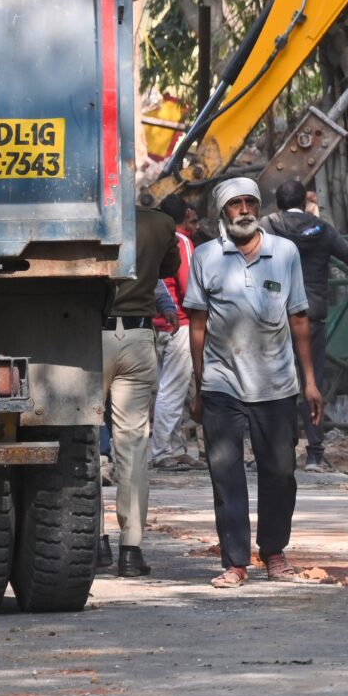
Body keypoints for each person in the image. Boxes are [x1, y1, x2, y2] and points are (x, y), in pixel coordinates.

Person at [185, 178, 320, 589]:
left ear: (258, 208)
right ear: (221, 212)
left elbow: (298, 317)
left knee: (280, 471)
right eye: (234, 204)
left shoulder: (285, 252)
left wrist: (310, 381)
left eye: (249, 202)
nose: (243, 209)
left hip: (277, 382)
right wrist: (199, 383)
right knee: (225, 473)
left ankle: (274, 552)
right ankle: (235, 562)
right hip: (222, 382)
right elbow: (197, 323)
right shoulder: (207, 256)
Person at [99, 197, 179, 578]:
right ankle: (130, 549)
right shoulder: (160, 224)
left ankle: (94, 539)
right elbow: (169, 268)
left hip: (86, 334)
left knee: (82, 439)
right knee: (132, 445)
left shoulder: (88, 210)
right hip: (137, 337)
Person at [267, 178, 348, 466]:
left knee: (277, 384)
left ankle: (282, 450)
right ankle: (314, 453)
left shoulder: (267, 227)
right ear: (303, 203)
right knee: (312, 382)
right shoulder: (322, 230)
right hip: (311, 316)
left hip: (274, 318)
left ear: (279, 204)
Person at [149, 192, 198, 461]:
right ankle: (163, 450)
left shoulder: (155, 238)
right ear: (186, 215)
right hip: (179, 321)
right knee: (173, 389)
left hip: (157, 322)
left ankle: (176, 448)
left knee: (164, 389)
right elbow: (188, 285)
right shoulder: (182, 242)